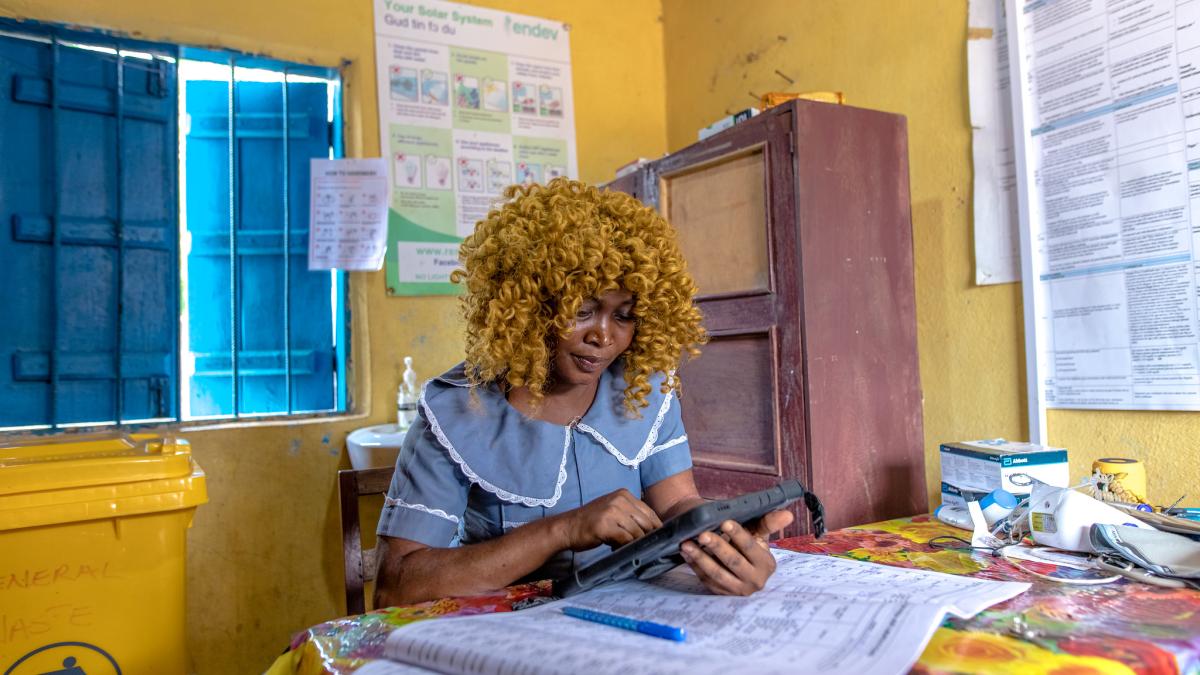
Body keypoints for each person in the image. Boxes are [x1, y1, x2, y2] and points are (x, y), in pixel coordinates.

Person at [374, 179, 793, 607]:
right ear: (531, 304)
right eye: (582, 311)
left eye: (625, 316)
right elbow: (397, 585)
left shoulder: (642, 391)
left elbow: (678, 504)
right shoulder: (454, 414)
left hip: (624, 623)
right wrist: (564, 528)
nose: (603, 336)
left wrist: (722, 539)